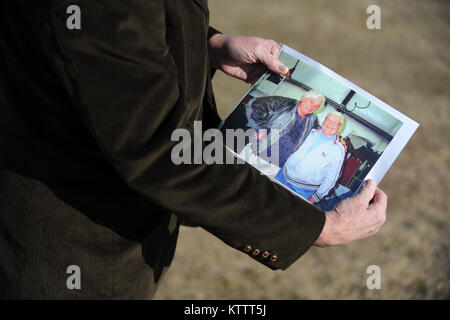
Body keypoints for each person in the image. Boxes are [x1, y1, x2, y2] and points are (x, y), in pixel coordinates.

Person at [0, 1, 387, 299]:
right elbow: (164, 150)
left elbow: (123, 37)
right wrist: (317, 226)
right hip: (70, 248)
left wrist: (209, 44)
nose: (325, 118)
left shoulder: (314, 130)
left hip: (135, 225)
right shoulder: (285, 106)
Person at [276, 111, 347, 205]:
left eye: (334, 123)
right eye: (328, 120)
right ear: (324, 120)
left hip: (302, 191)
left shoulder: (338, 150)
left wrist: (314, 198)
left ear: (340, 127)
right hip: (282, 176)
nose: (330, 124)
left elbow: (331, 179)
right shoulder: (309, 132)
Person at [245, 90, 324, 167]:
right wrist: (260, 129)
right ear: (304, 98)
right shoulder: (284, 104)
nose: (312, 106)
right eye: (311, 101)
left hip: (277, 164)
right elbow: (253, 105)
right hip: (257, 152)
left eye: (316, 106)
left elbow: (318, 134)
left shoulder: (313, 120)